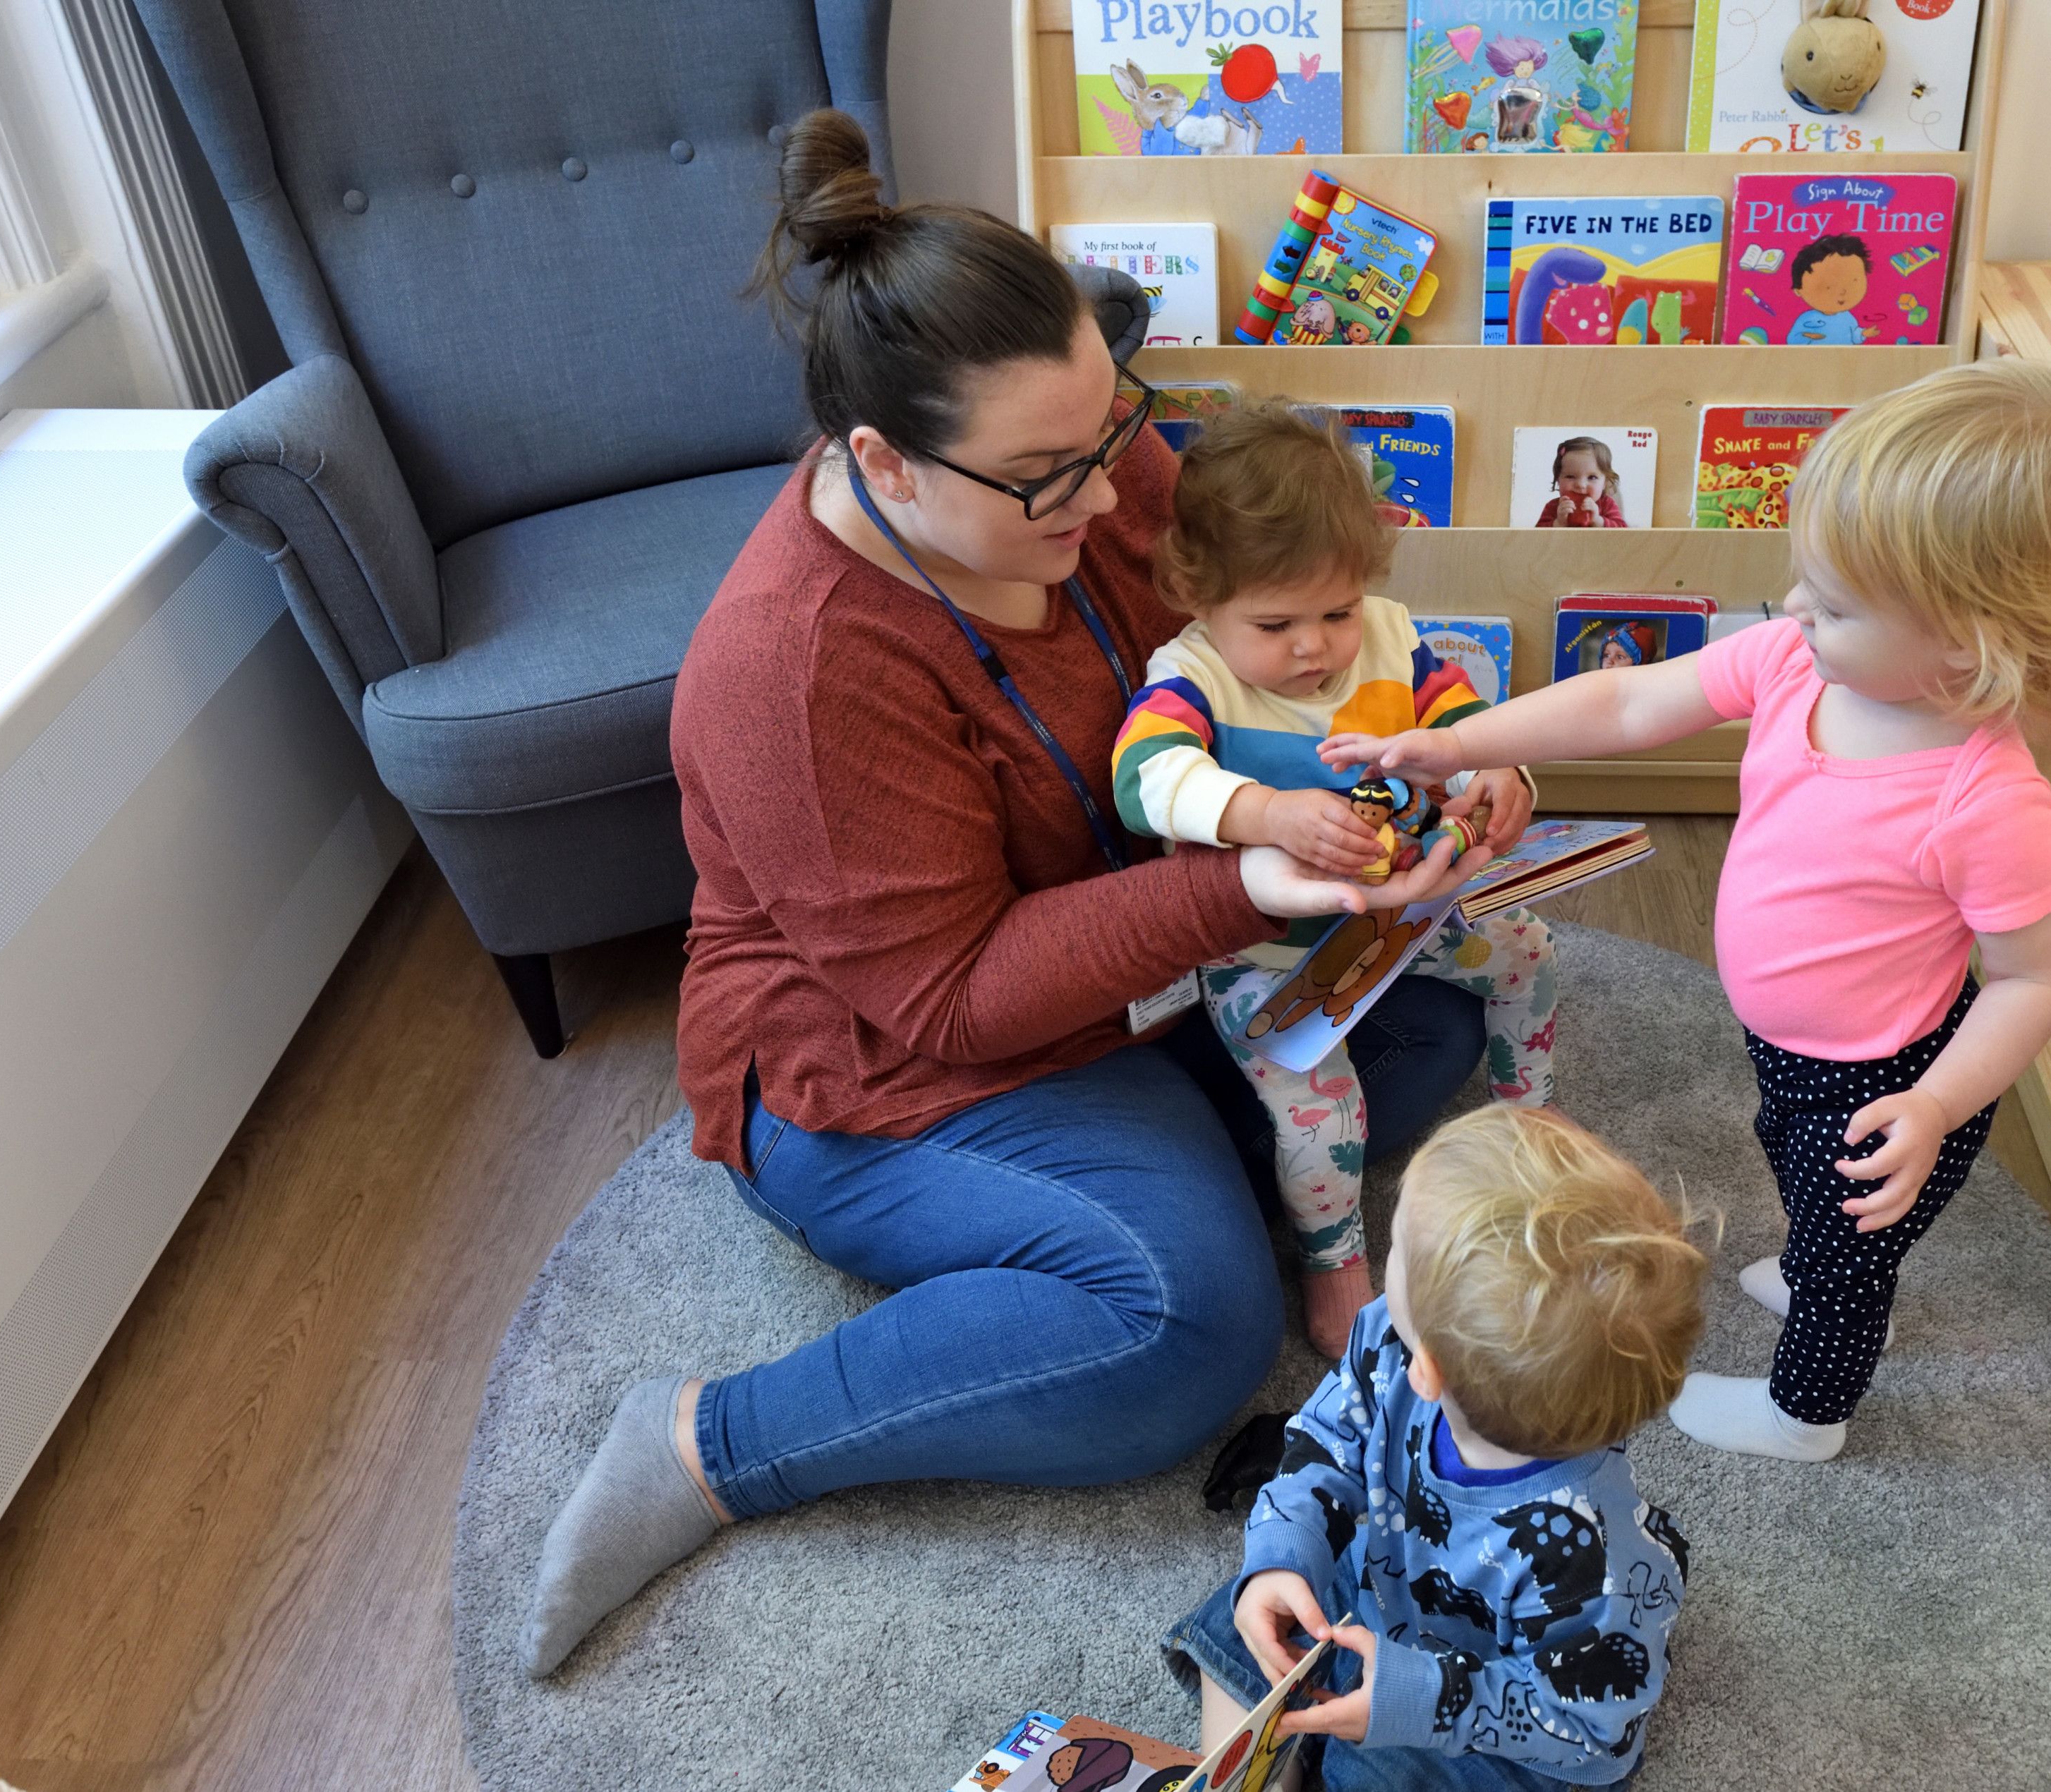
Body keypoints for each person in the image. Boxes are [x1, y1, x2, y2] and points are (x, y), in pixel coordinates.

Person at [516, 111, 1511, 1678]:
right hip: (889, 1066)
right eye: (1054, 478)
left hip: (1130, 964)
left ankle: (1176, 1187)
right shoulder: (797, 669)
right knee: (1188, 1335)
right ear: (882, 467)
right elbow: (951, 995)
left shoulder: (1089, 469)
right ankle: (715, 1440)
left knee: (1424, 1026)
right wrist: (1251, 874)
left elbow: (1266, 650)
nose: (1115, 505)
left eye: (1119, 434)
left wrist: (1421, 775)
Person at [1329, 358, 2051, 1461]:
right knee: (1804, 1182)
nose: (1797, 607)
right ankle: (1824, 1262)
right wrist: (1465, 742)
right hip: (1792, 1041)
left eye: (1839, 601)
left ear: (1970, 638)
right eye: (1804, 579)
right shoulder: (1800, 666)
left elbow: (2035, 978)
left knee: (1853, 1246)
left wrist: (1939, 1106)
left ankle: (1806, 1410)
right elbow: (1626, 699)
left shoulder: (1987, 803)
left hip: (1885, 1078)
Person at [1113, 401, 1554, 1357]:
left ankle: (1531, 1128)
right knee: (1322, 1113)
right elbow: (1143, 780)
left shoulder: (1392, 635)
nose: (1314, 646)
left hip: (1405, 918)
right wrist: (1264, 814)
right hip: (1266, 957)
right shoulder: (1193, 673)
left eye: (1337, 612)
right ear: (1198, 595)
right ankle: (1333, 1258)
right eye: (1275, 623)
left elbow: (1464, 714)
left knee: (1528, 950)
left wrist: (1497, 769)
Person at [1163, 1105, 1705, 1790]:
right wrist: (1284, 1555)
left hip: (1492, 1718)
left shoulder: (1596, 1562)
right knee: (1254, 1608)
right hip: (1380, 1597)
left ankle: (1307, 1755)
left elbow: (1593, 1728)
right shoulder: (1391, 1340)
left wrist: (1420, 1700)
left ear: (1431, 1372)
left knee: (1378, 1772)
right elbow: (1324, 1441)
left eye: (1393, 1247)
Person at [1782, 234, 1870, 346]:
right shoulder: (1807, 319)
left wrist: (1863, 333)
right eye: (1828, 287)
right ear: (1798, 290)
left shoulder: (1847, 317)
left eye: (1854, 281)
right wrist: (1806, 336)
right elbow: (1793, 340)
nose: (1842, 291)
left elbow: (1854, 335)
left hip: (1845, 360)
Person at [1530, 437, 1626, 528]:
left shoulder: (1607, 505)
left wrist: (1597, 520)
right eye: (1570, 477)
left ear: (1605, 482)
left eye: (1592, 477)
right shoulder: (1554, 507)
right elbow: (1536, 538)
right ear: (1558, 480)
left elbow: (1623, 533)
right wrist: (1558, 523)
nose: (1580, 485)